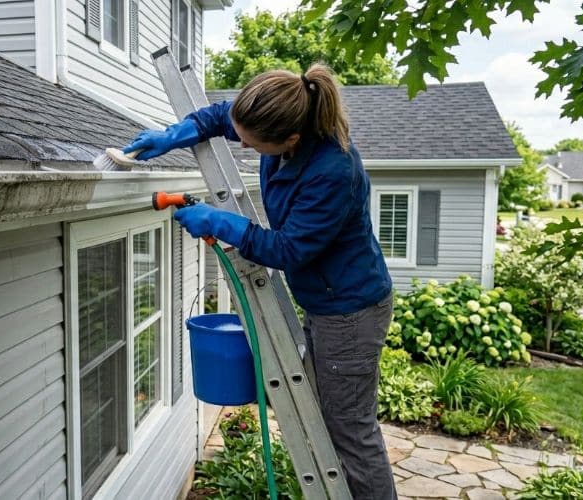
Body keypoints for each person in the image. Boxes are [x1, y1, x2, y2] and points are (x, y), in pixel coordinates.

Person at [123, 64, 396, 499]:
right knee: (331, 416)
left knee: (350, 429)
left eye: (251, 143)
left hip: (350, 311)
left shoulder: (333, 171)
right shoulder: (277, 111)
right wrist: (173, 136)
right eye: (242, 137)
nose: (244, 145)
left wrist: (220, 222)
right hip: (326, 299)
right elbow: (223, 118)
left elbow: (288, 250)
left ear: (291, 139)